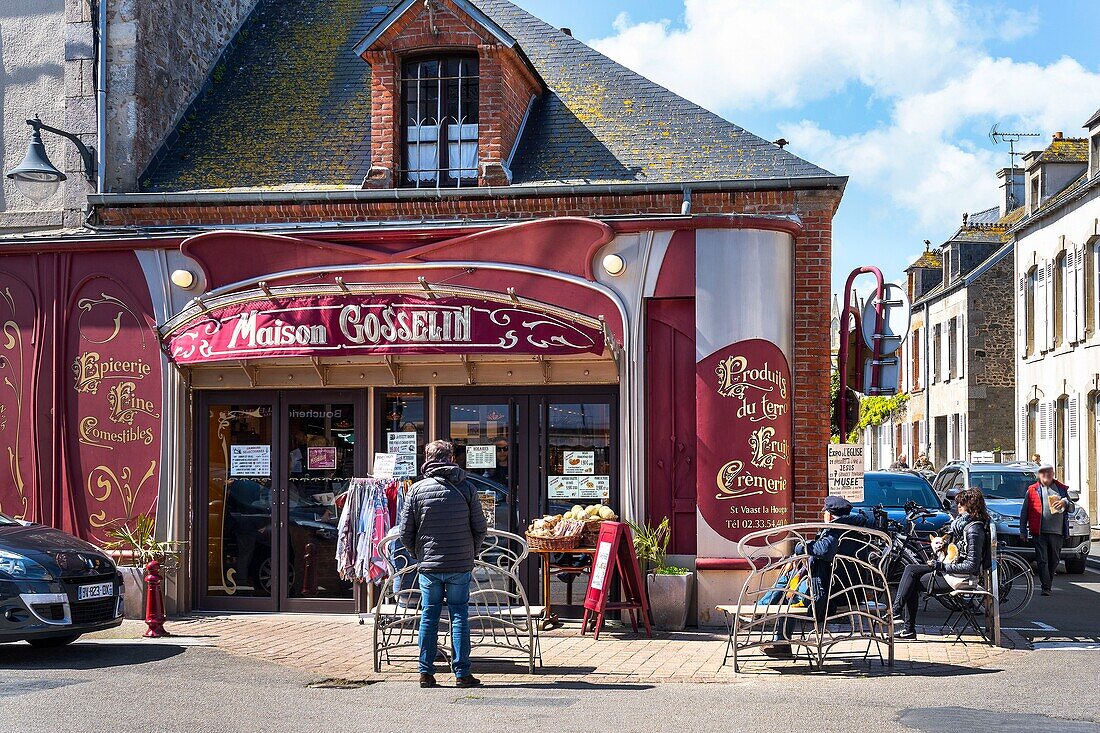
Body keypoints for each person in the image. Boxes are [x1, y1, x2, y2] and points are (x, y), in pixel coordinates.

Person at [399, 440, 488, 688]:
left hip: (429, 565)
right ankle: (462, 673)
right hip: (460, 563)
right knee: (459, 613)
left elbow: (406, 533)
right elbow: (480, 528)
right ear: (451, 459)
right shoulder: (467, 488)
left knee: (429, 614)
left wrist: (419, 553)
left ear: (427, 459)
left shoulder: (416, 490)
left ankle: (425, 672)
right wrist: (471, 551)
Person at [763, 495, 870, 658]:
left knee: (792, 592)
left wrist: (799, 548)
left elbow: (825, 550)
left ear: (829, 514)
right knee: (793, 579)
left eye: (824, 512)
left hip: (832, 594)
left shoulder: (836, 530)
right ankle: (765, 609)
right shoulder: (858, 530)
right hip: (853, 591)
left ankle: (768, 618)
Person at [891, 487, 991, 639]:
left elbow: (972, 565)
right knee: (911, 569)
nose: (957, 507)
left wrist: (942, 566)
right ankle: (899, 617)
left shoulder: (974, 530)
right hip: (952, 572)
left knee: (912, 580)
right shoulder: (964, 525)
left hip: (960, 578)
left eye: (961, 504)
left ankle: (899, 618)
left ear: (970, 506)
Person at [1020, 464, 1074, 596]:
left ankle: (1048, 582)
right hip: (1039, 531)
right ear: (1039, 475)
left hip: (1057, 532)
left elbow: (1071, 508)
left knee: (1054, 559)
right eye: (1043, 473)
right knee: (1042, 559)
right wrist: (1023, 530)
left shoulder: (1061, 489)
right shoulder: (1032, 490)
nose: (1046, 475)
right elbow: (1024, 511)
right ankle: (1046, 587)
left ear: (1053, 474)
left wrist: (1064, 503)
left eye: (1049, 473)